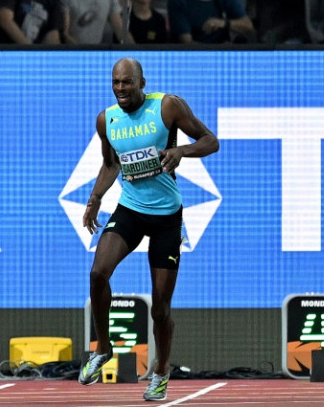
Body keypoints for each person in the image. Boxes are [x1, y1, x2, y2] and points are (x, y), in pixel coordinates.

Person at [79, 57, 219, 401]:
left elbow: (210, 140)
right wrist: (95, 198)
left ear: (142, 82)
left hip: (166, 218)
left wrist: (181, 151)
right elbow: (111, 164)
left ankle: (161, 369)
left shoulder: (167, 106)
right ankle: (103, 348)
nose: (121, 89)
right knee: (98, 273)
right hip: (130, 209)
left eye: (128, 82)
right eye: (116, 83)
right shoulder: (106, 120)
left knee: (160, 308)